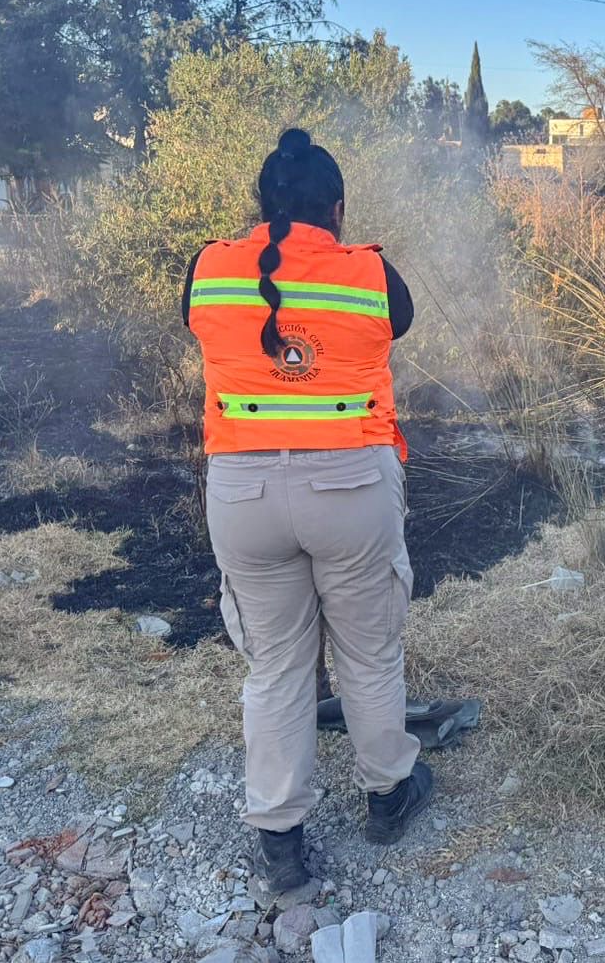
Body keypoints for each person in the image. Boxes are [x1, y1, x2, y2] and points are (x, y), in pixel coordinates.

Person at [182, 128, 433, 899]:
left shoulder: (208, 268)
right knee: (366, 650)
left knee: (278, 665)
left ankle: (280, 836)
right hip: (349, 488)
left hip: (244, 495)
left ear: (258, 206)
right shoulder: (369, 272)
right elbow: (399, 322)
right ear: (338, 208)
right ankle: (389, 791)